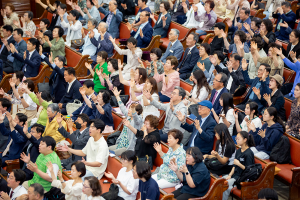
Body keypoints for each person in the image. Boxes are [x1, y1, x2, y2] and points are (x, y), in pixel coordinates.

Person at [110, 87, 143, 155]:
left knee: (112, 154)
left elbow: (136, 118)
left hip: (128, 146)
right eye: (130, 108)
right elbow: (122, 107)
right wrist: (117, 96)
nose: (129, 110)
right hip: (121, 143)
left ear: (136, 112)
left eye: (131, 109)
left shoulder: (138, 120)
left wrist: (133, 110)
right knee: (106, 150)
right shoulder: (128, 116)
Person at [222, 131, 255, 200]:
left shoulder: (249, 153)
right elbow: (234, 165)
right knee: (219, 181)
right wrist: (230, 175)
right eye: (236, 139)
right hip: (234, 175)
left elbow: (249, 170)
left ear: (245, 140)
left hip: (241, 178)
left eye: (238, 139)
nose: (236, 140)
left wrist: (239, 164)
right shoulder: (239, 150)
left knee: (224, 185)